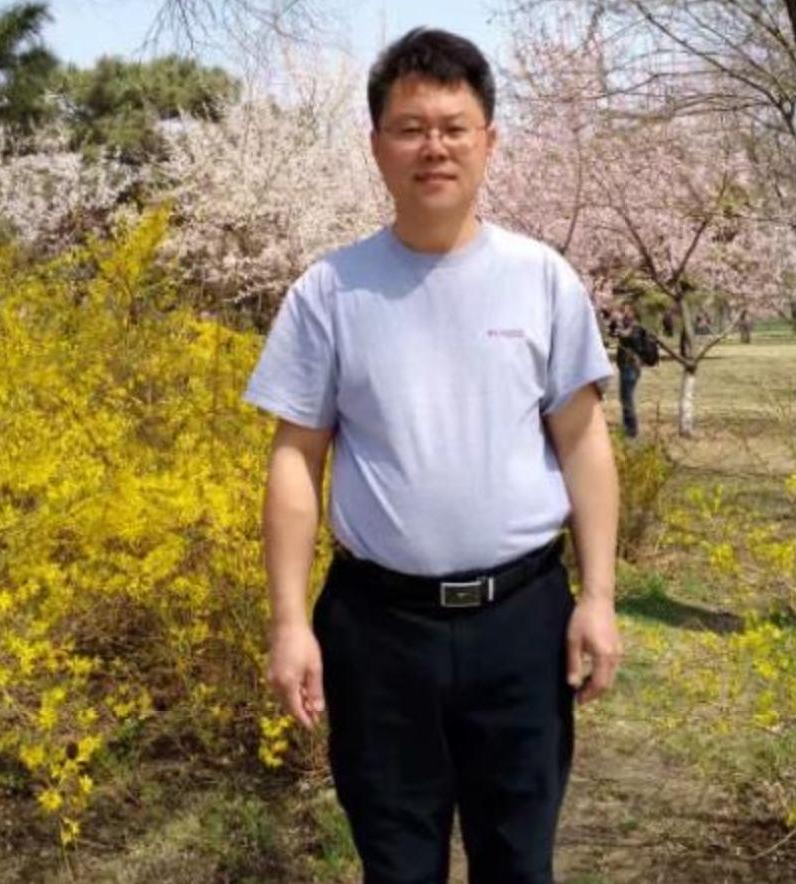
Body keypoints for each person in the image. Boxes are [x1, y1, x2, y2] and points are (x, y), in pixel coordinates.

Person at [243, 28, 622, 884]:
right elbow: (295, 460)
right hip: (378, 629)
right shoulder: (329, 291)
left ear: (490, 140)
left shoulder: (541, 279)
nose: (434, 147)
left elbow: (584, 442)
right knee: (398, 865)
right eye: (410, 128)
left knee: (519, 862)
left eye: (454, 127)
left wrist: (598, 597)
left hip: (522, 620)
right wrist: (289, 621)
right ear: (377, 144)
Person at [611, 303, 643, 438]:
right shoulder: (626, 326)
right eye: (623, 310)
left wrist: (621, 330)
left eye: (627, 311)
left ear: (634, 312)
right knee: (624, 397)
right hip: (626, 366)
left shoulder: (636, 327)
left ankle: (631, 430)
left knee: (627, 398)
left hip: (631, 366)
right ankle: (627, 426)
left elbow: (630, 338)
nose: (624, 313)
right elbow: (614, 333)